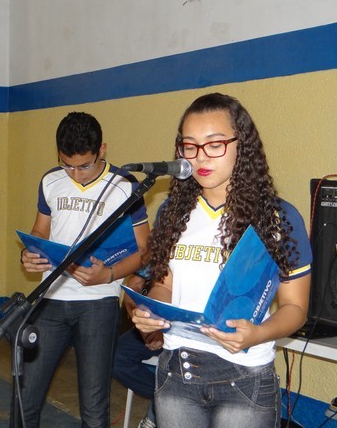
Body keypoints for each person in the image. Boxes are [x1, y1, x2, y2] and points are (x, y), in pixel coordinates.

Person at [132, 93, 312, 428]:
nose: (200, 156)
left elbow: (295, 307)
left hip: (244, 379)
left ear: (242, 146)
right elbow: (164, 284)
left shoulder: (277, 218)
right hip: (177, 372)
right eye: (189, 146)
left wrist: (258, 333)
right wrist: (152, 311)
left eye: (214, 144)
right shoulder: (172, 211)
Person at [19, 111, 150, 427]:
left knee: (93, 408)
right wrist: (29, 253)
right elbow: (40, 230)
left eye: (85, 166)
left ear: (102, 150)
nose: (76, 174)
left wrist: (109, 275)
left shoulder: (125, 185)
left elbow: (145, 251)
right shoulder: (51, 180)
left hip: (98, 304)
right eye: (68, 165)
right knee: (25, 398)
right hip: (51, 298)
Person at [112, 273, 162, 428]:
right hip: (155, 323)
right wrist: (145, 329)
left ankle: (161, 408)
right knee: (115, 357)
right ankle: (162, 401)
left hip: (193, 332)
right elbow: (132, 290)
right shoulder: (156, 257)